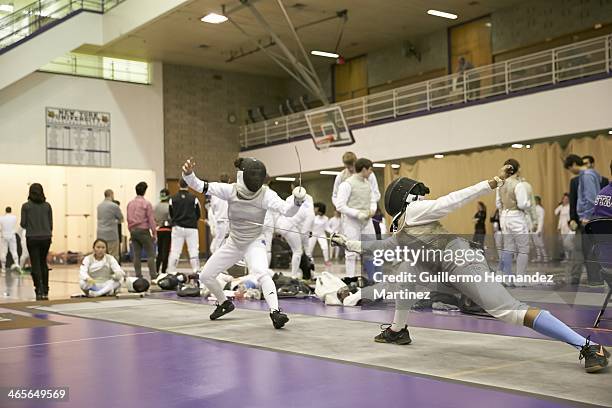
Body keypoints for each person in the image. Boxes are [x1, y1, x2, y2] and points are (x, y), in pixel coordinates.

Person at [331, 164, 610, 373]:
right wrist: (349, 243)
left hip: (459, 262)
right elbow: (384, 247)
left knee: (509, 312)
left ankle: (588, 346)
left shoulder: (416, 212)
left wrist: (490, 184)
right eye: (416, 194)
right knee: (407, 274)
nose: (421, 197)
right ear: (406, 198)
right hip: (437, 266)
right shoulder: (405, 222)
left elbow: (452, 200)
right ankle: (397, 330)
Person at [182, 156, 307, 329]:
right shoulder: (230, 190)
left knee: (262, 273)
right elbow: (199, 185)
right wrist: (188, 174)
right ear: (243, 176)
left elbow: (287, 211)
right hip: (233, 243)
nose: (255, 179)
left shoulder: (266, 195)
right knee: (205, 276)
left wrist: (297, 201)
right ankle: (224, 303)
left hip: (254, 242)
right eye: (252, 175)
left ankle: (275, 312)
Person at [564, 154, 603, 285]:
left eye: (570, 168)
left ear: (574, 164)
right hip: (588, 218)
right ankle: (595, 279)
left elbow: (592, 199)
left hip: (588, 219)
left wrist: (586, 217)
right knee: (588, 250)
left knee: (588, 251)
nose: (571, 171)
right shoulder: (587, 175)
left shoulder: (587, 176)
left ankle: (595, 279)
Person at [335, 158, 377, 277]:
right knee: (351, 252)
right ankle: (350, 280)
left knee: (371, 250)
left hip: (367, 222)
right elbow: (340, 205)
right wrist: (357, 213)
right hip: (352, 222)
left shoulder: (368, 183)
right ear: (364, 169)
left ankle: (372, 279)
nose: (371, 173)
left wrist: (372, 209)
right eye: (370, 170)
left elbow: (373, 199)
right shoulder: (347, 184)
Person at [496, 159, 533, 284]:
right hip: (516, 216)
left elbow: (498, 204)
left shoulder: (500, 184)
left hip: (504, 217)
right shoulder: (519, 184)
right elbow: (522, 204)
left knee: (508, 247)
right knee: (523, 249)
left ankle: (506, 278)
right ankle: (520, 279)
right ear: (517, 169)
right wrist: (529, 203)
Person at [20, 183, 53, 300]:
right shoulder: (47, 206)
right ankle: (46, 289)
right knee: (43, 262)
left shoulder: (26, 206)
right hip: (46, 237)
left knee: (35, 263)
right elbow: (51, 224)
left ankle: (38, 288)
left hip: (32, 238)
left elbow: (23, 224)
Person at [276, 190, 314, 277]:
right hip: (289, 226)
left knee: (296, 250)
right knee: (298, 251)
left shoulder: (290, 199)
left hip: (281, 225)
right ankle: (294, 276)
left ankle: (298, 273)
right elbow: (306, 228)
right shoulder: (308, 208)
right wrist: (306, 234)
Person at [167, 179, 201, 274]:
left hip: (177, 227)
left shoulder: (172, 198)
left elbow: (171, 213)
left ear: (178, 184)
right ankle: (196, 270)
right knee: (193, 250)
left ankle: (171, 271)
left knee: (175, 251)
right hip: (191, 228)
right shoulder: (194, 198)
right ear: (188, 185)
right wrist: (192, 220)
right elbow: (198, 213)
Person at [127, 182, 157, 281]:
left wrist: (131, 230)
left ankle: (138, 276)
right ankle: (153, 276)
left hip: (133, 230)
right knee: (150, 254)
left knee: (136, 255)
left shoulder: (130, 204)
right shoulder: (146, 204)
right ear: (145, 191)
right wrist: (154, 232)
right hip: (143, 230)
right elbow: (151, 219)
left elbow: (128, 218)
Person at [96, 189, 124, 261]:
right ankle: (112, 271)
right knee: (113, 256)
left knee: (101, 255)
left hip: (100, 234)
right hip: (111, 234)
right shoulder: (114, 206)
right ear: (112, 195)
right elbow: (121, 218)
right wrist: (115, 221)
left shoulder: (99, 206)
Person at [209, 173, 230, 253]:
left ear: (219, 180)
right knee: (229, 244)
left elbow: (213, 208)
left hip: (220, 221)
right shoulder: (231, 190)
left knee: (218, 244)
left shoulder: (215, 192)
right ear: (229, 180)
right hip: (229, 221)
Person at [154, 188, 172, 275]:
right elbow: (171, 218)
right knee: (166, 251)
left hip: (159, 230)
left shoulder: (156, 207)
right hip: (167, 230)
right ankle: (164, 271)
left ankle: (156, 269)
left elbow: (154, 219)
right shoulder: (169, 206)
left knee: (160, 251)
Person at [308, 202, 331, 268]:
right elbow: (309, 226)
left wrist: (333, 232)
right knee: (310, 249)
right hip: (313, 234)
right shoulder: (313, 217)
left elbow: (327, 228)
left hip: (321, 234)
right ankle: (309, 260)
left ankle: (326, 261)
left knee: (325, 247)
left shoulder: (326, 218)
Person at [555, 193, 574, 262]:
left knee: (568, 243)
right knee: (564, 244)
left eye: (567, 199)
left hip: (569, 227)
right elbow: (556, 213)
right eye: (564, 199)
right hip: (562, 227)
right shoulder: (561, 207)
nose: (565, 200)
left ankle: (573, 257)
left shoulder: (570, 207)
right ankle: (567, 258)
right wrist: (558, 227)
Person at [0, 207, 20, 273]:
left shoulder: (1, 218)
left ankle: (3, 268)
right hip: (12, 235)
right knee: (14, 250)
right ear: (11, 211)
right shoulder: (14, 217)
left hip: (4, 236)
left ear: (5, 211)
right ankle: (17, 264)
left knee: (3, 252)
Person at [532, 196, 548, 262]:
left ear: (538, 201)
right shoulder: (532, 209)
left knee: (540, 243)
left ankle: (545, 257)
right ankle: (539, 258)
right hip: (533, 228)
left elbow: (541, 220)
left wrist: (539, 230)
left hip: (538, 229)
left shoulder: (541, 209)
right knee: (536, 244)